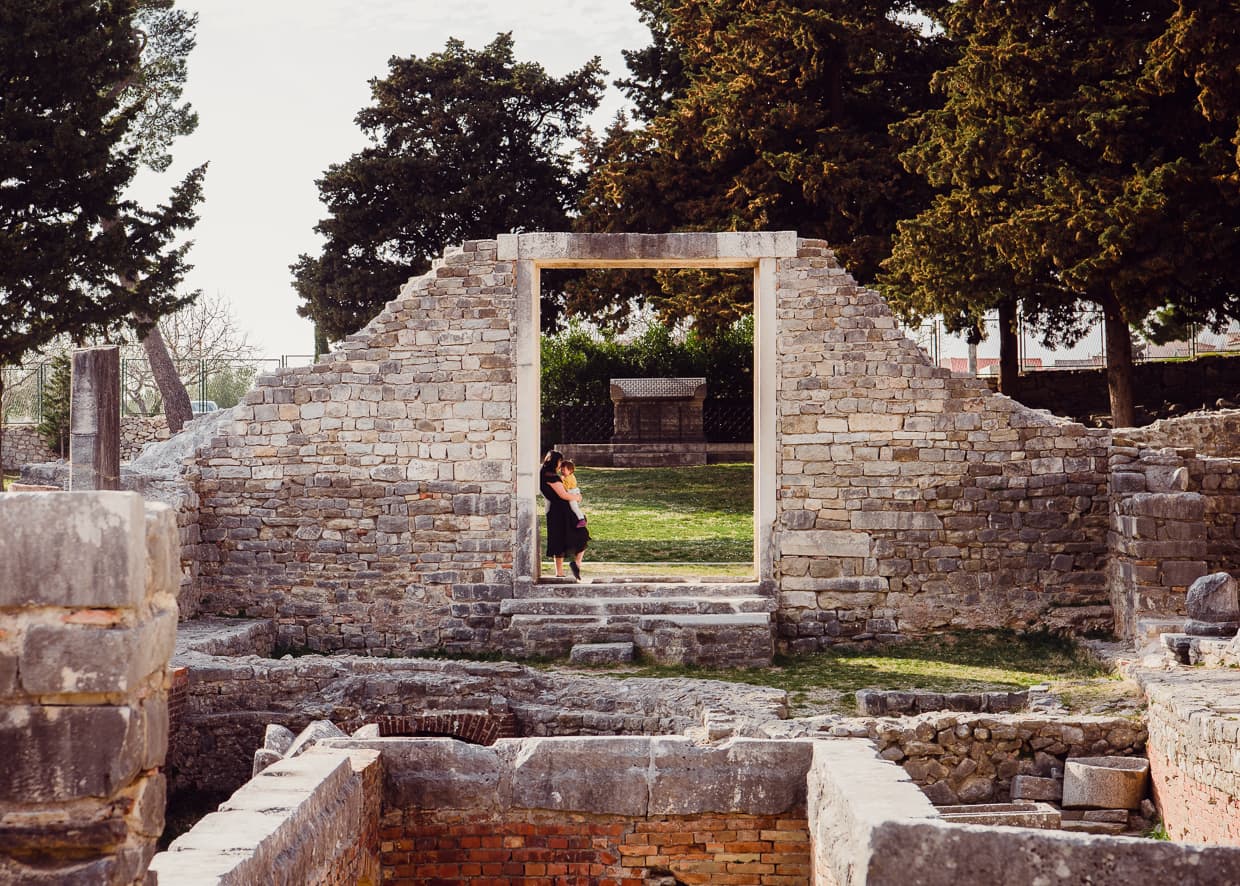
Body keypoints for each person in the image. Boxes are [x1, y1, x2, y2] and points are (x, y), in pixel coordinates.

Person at [539, 450, 589, 580]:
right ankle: (576, 564)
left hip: (554, 511)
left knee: (558, 539)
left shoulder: (543, 474)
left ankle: (561, 572)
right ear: (555, 461)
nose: (560, 465)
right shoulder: (552, 477)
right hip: (562, 511)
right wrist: (577, 498)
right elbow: (563, 495)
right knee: (582, 535)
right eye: (560, 461)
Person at [559, 459, 587, 528]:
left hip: (572, 492)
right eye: (561, 470)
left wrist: (561, 481)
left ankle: (582, 519)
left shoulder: (568, 478)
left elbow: (566, 488)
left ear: (570, 471)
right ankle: (579, 517)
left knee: (574, 507)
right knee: (573, 507)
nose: (562, 471)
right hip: (573, 491)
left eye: (564, 470)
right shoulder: (569, 476)